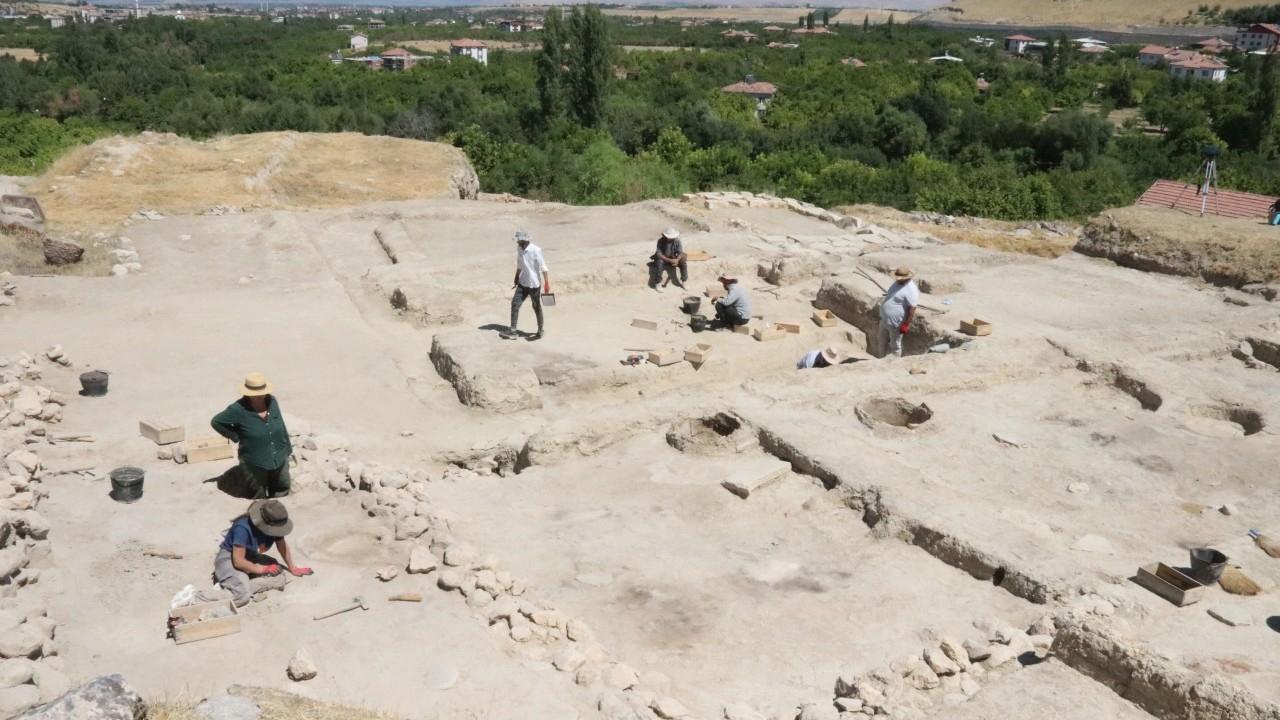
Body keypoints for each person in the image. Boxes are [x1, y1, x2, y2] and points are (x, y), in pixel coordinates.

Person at [213, 499, 312, 606]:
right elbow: (238, 561)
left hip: (251, 557)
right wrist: (263, 569)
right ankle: (197, 597)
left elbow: (282, 546)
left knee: (279, 578)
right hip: (229, 559)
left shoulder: (275, 527)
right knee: (242, 597)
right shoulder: (242, 527)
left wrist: (292, 567)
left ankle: (235, 587)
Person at [211, 373, 293, 498]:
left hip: (279, 456)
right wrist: (235, 435)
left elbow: (281, 425)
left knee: (283, 486)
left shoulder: (272, 401)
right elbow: (217, 422)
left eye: (263, 392)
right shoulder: (237, 409)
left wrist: (287, 449)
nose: (260, 396)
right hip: (254, 462)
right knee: (257, 494)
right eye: (256, 394)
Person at [504, 230, 550, 340]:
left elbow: (543, 267)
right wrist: (516, 276)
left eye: (518, 240)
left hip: (534, 284)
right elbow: (520, 264)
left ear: (524, 240)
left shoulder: (536, 250)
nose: (517, 242)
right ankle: (513, 331)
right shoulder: (519, 248)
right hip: (523, 282)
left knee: (536, 306)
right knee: (515, 304)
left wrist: (546, 283)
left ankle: (540, 330)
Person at [877, 267, 919, 358]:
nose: (897, 280)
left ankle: (894, 364)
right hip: (884, 320)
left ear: (906, 278)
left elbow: (912, 308)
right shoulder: (896, 283)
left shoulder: (911, 289)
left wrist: (907, 324)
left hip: (896, 323)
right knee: (881, 341)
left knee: (895, 345)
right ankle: (880, 361)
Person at [648, 227, 688, 292]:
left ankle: (684, 281)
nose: (671, 239)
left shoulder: (677, 241)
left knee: (683, 260)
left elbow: (680, 252)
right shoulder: (660, 241)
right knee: (660, 263)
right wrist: (670, 260)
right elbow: (659, 254)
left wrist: (676, 260)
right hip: (663, 258)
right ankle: (658, 283)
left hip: (672, 257)